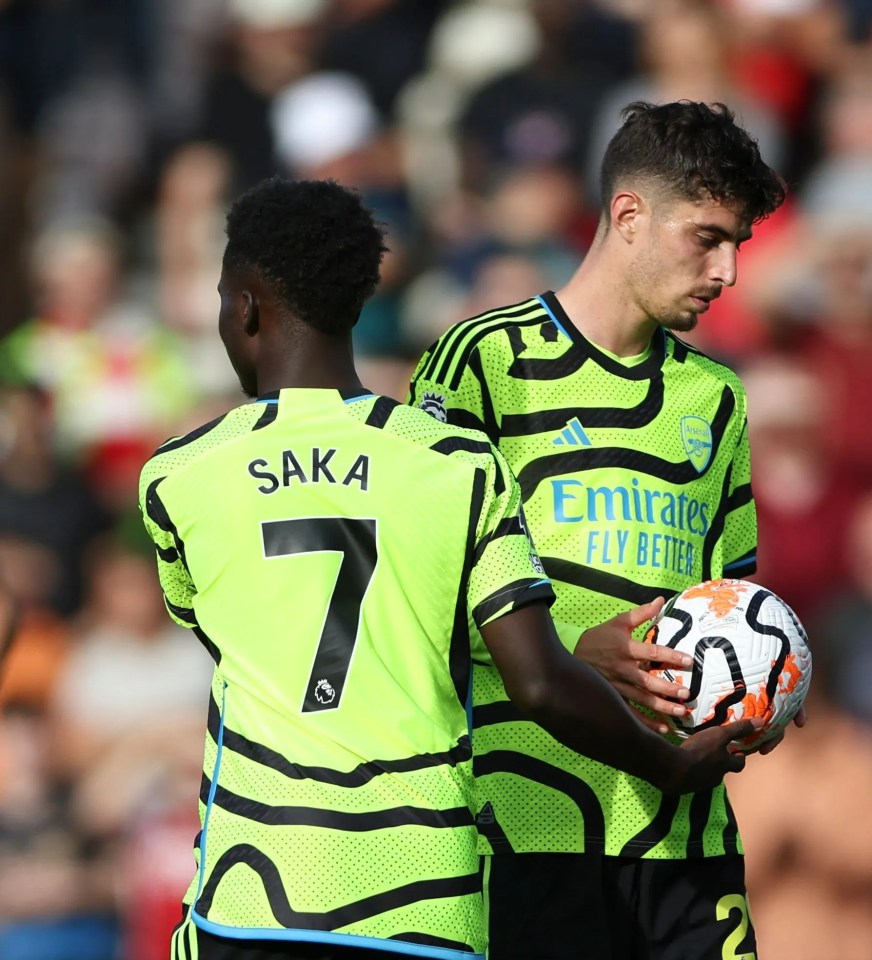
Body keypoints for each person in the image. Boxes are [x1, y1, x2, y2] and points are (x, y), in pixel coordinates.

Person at [137, 176, 757, 960]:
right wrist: (666, 765)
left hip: (254, 890)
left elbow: (222, 633)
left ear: (245, 307)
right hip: (426, 904)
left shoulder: (179, 476)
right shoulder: (455, 464)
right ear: (359, 304)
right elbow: (537, 681)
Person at [408, 100, 791, 960]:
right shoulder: (482, 365)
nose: (727, 270)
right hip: (524, 831)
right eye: (707, 236)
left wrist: (770, 676)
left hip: (684, 834)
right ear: (629, 216)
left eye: (740, 244)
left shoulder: (716, 397)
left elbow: (736, 597)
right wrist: (569, 650)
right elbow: (410, 601)